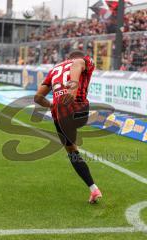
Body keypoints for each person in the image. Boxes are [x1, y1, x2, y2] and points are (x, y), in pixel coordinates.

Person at [34, 50, 102, 204]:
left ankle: (93, 189)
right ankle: (93, 190)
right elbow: (78, 63)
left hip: (59, 113)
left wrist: (52, 105)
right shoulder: (81, 60)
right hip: (78, 107)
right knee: (74, 147)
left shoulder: (54, 70)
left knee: (72, 153)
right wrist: (72, 88)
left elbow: (38, 97)